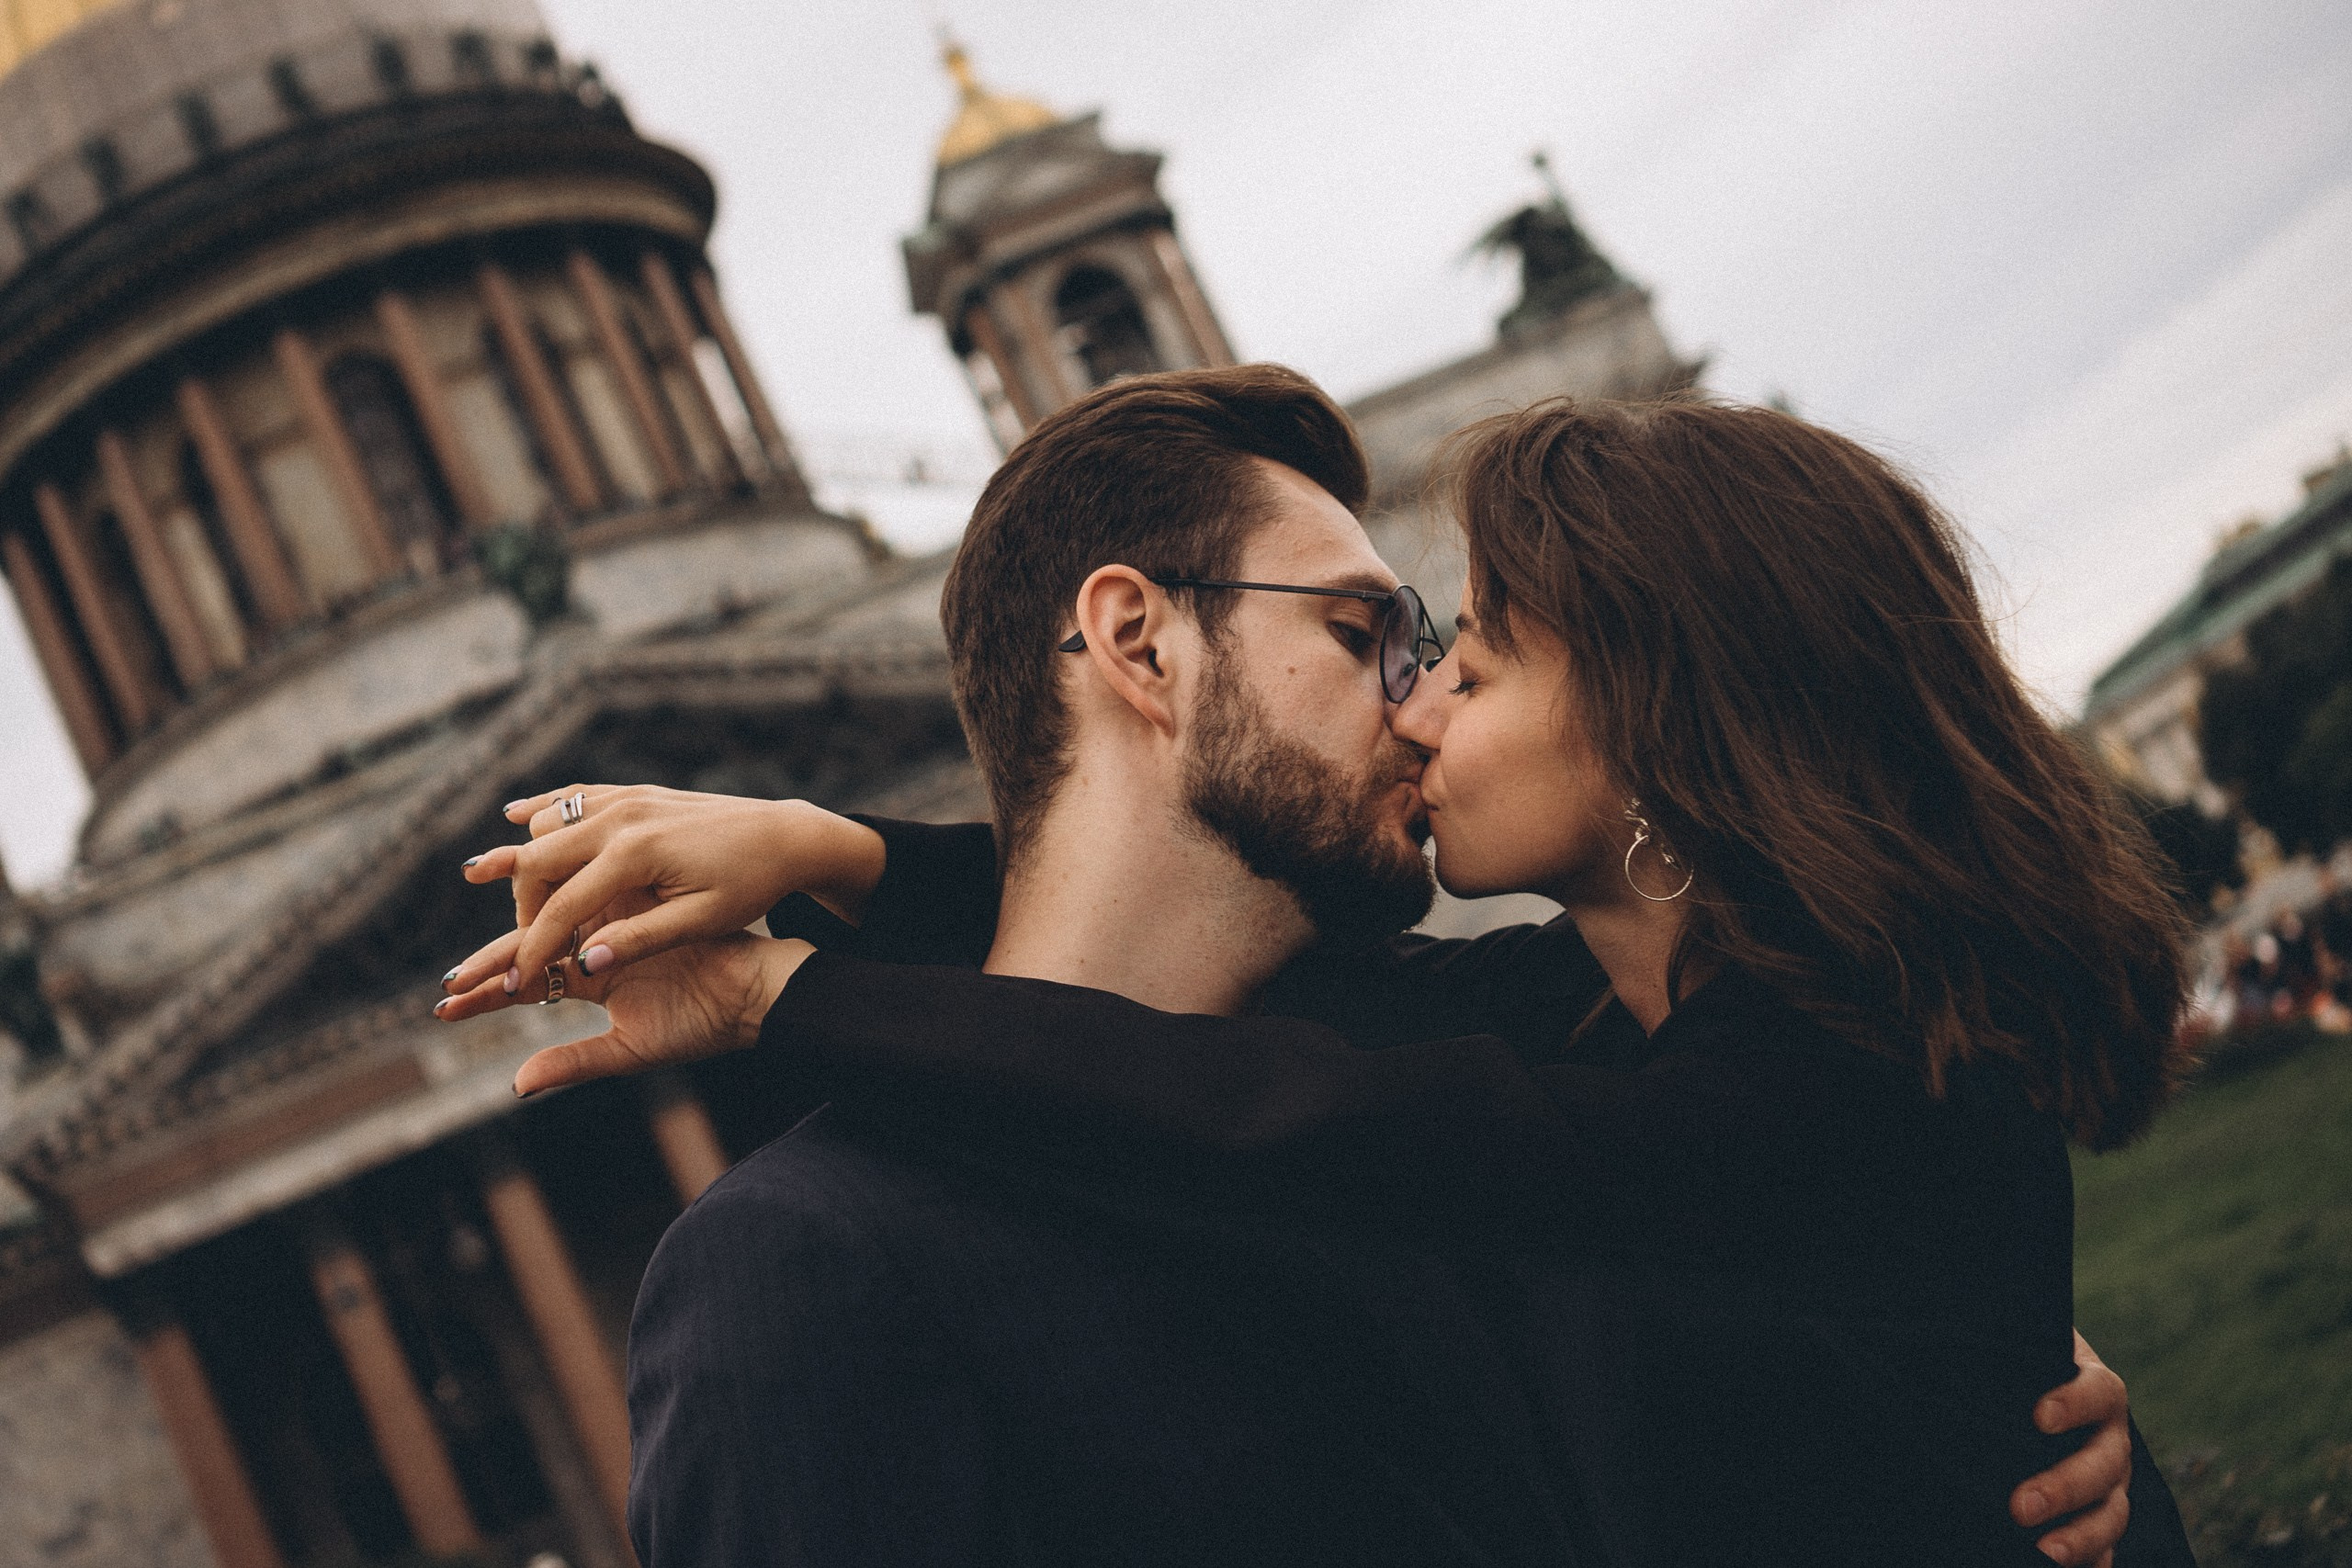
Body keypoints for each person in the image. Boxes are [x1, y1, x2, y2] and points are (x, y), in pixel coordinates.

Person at [440, 373, 2177, 1564]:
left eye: (1457, 656)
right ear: (1137, 641)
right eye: (1368, 635)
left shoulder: (1543, 1065)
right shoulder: (803, 1282)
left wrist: (2048, 1429)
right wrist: (853, 863)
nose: (1418, 705)